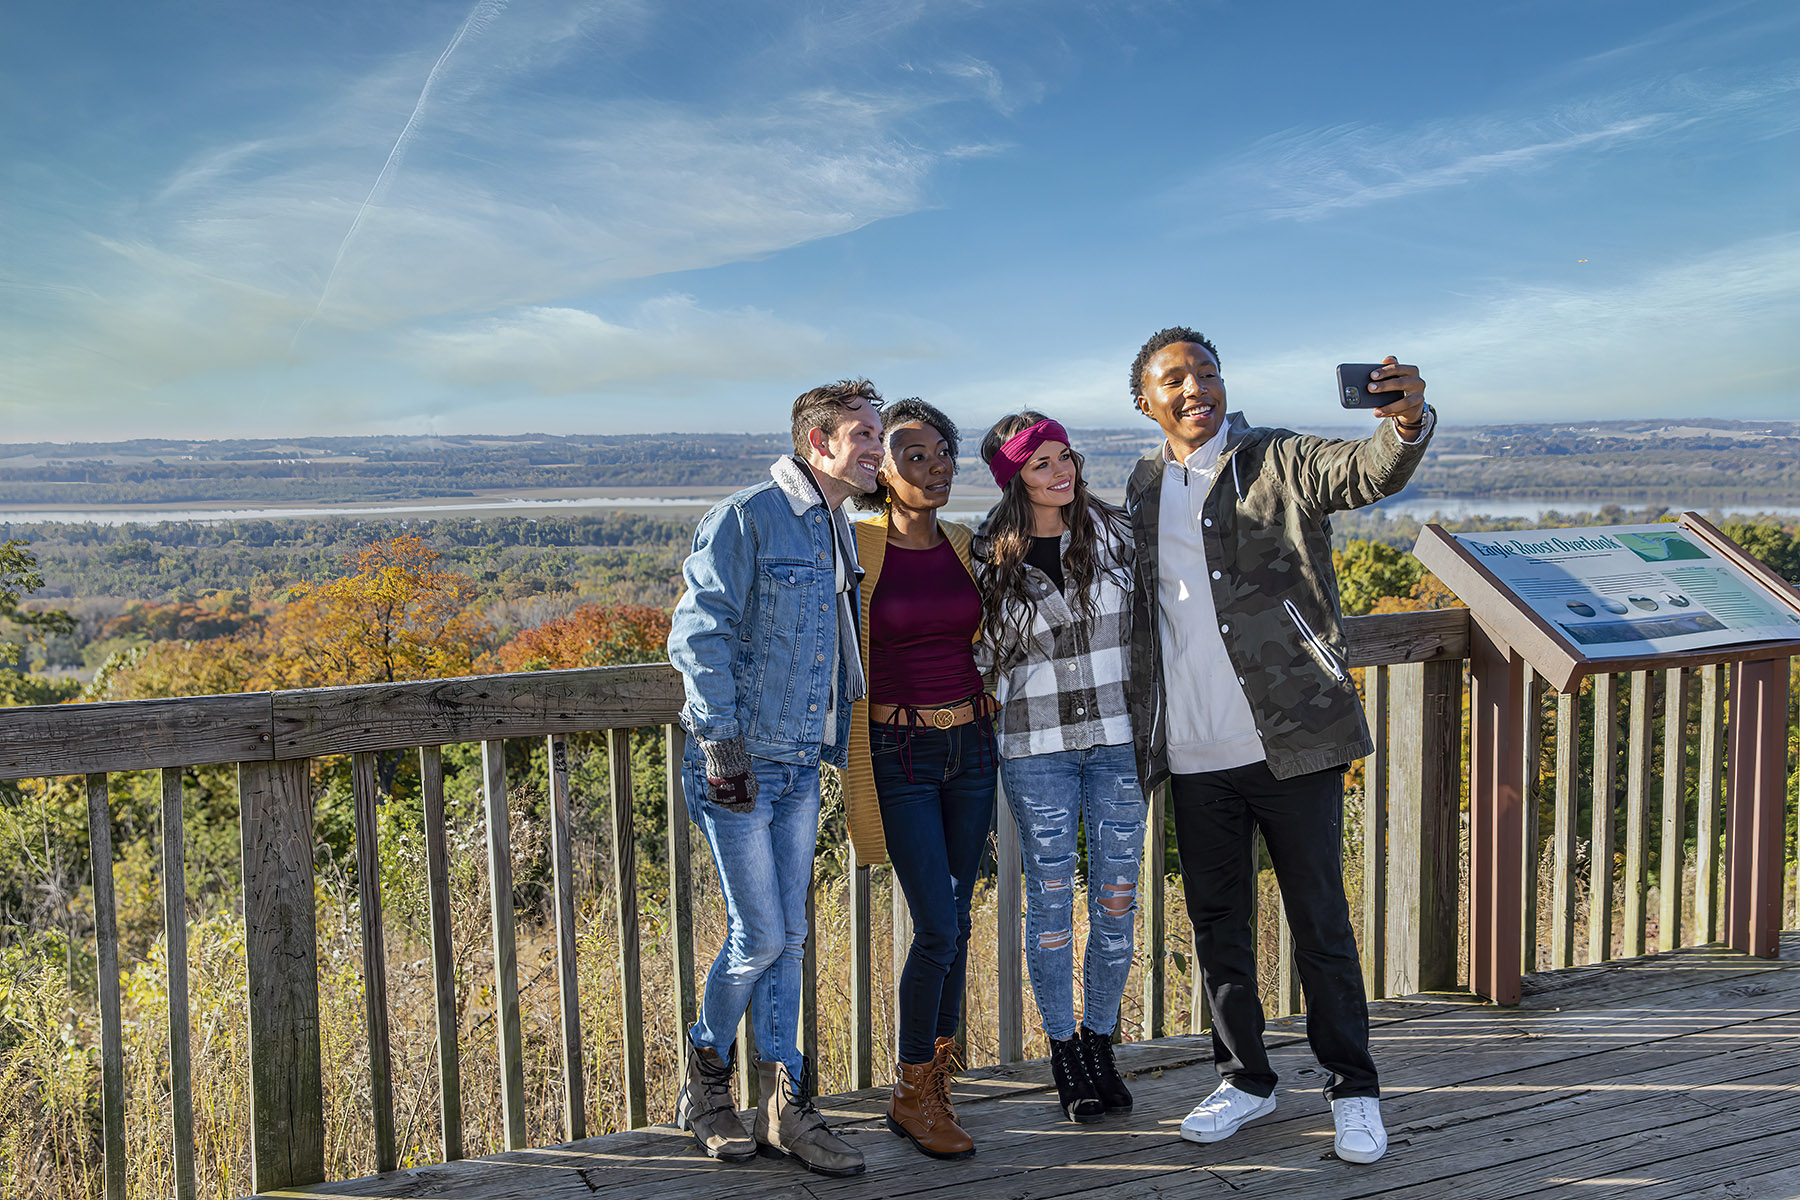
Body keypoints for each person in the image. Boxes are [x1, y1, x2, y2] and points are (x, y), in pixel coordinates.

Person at [1123, 328, 1434, 1165]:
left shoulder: (1277, 458)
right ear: (1144, 401)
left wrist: (1403, 423)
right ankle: (1246, 1080)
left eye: (1208, 373)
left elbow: (1363, 471)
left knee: (1320, 923)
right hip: (1192, 752)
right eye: (1174, 379)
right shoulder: (1144, 483)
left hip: (1290, 739)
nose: (1196, 389)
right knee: (1217, 925)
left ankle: (1354, 1089)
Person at [667, 379, 884, 1178]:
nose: (875, 448)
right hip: (740, 766)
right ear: (816, 442)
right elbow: (699, 634)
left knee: (788, 939)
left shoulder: (836, 526)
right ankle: (706, 1088)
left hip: (799, 762)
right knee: (761, 934)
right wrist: (721, 745)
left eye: (876, 434)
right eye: (862, 434)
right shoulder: (745, 518)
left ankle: (787, 1108)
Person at [975, 411, 1144, 1125]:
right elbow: (980, 659)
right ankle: (1064, 1053)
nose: (1062, 471)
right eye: (1041, 463)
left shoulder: (1118, 535)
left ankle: (1101, 1041)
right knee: (1049, 910)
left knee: (1115, 903)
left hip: (1116, 741)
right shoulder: (986, 558)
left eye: (1065, 456)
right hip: (1036, 749)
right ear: (1016, 476)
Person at [841, 397, 994, 1161]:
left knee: (958, 920)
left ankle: (936, 1080)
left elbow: (998, 628)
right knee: (937, 923)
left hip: (971, 746)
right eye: (912, 456)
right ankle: (910, 1092)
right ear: (881, 472)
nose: (933, 467)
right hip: (897, 755)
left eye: (941, 453)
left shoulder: (967, 544)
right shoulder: (857, 545)